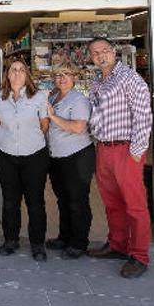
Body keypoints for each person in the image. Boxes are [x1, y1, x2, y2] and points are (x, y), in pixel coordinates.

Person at [86, 37, 153, 279]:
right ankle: (118, 244)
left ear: (113, 52)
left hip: (125, 149)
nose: (101, 56)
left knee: (135, 205)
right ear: (91, 57)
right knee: (112, 202)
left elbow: (144, 117)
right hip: (104, 148)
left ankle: (139, 256)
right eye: (95, 53)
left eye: (104, 51)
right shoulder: (97, 82)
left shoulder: (130, 78)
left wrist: (136, 152)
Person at [0, 59, 51, 261]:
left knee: (35, 202)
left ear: (27, 74)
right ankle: (11, 240)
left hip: (34, 155)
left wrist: (26, 139)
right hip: (6, 154)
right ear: (7, 74)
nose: (17, 73)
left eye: (21, 70)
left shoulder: (39, 97)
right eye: (13, 70)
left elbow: (44, 125)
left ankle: (37, 244)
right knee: (10, 201)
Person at [45, 63, 95, 259]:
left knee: (77, 200)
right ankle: (64, 237)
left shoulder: (79, 100)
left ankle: (79, 242)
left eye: (66, 74)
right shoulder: (53, 96)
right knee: (63, 199)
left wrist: (52, 116)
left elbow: (77, 128)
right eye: (57, 75)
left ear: (74, 77)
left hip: (77, 156)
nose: (62, 78)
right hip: (56, 156)